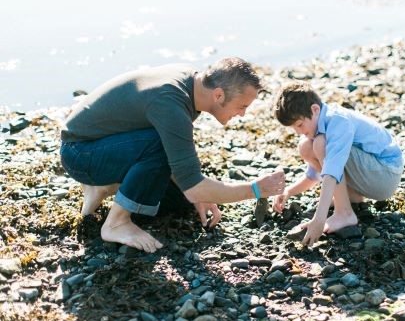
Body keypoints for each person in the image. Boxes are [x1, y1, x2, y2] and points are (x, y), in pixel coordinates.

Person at [60, 57, 285, 253]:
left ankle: (104, 187)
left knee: (179, 200)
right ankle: (116, 223)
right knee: (169, 160)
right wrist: (255, 189)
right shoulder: (171, 103)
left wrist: (200, 194)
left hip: (106, 145)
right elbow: (188, 178)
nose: (243, 114)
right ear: (218, 95)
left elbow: (181, 165)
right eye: (242, 106)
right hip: (81, 153)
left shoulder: (192, 83)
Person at [272, 82, 403, 246]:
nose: (298, 131)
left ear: (315, 109)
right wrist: (289, 191)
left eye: (299, 124)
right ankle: (350, 197)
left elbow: (331, 171)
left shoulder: (337, 121)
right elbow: (315, 175)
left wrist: (319, 219)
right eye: (294, 128)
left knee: (320, 144)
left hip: (385, 174)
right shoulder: (322, 123)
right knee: (306, 146)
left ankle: (345, 213)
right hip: (373, 174)